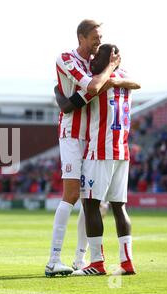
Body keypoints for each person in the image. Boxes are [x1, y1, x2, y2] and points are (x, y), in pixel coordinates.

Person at [54, 44, 140, 276]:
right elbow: (137, 83)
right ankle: (126, 261)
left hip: (100, 151)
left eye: (97, 57)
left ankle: (97, 262)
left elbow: (68, 106)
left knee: (90, 204)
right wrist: (115, 73)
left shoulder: (98, 82)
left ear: (109, 60)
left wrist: (58, 91)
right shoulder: (122, 78)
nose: (91, 61)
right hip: (122, 151)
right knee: (119, 207)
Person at [46, 19, 121, 277]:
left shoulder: (94, 65)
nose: (98, 41)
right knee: (71, 194)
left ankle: (80, 258)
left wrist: (65, 99)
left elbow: (73, 92)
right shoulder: (67, 58)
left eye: (100, 37)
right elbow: (92, 86)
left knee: (93, 201)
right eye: (94, 37)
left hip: (92, 137)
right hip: (71, 134)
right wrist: (109, 70)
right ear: (81, 37)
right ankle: (53, 259)